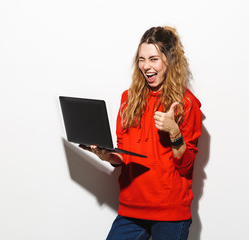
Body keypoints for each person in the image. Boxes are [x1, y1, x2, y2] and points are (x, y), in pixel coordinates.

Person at [80, 26, 202, 240]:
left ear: (169, 61)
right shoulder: (128, 99)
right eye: (141, 59)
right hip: (131, 209)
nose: (146, 66)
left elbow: (187, 167)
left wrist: (174, 130)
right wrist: (106, 155)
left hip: (170, 213)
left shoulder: (186, 103)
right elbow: (123, 153)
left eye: (154, 59)